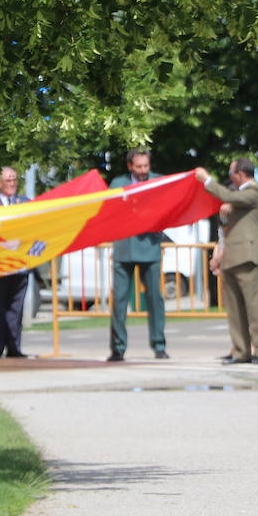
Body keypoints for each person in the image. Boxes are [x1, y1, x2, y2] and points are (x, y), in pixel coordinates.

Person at [194, 159, 258, 364]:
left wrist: (206, 179)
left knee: (254, 308)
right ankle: (241, 351)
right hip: (232, 257)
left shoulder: (254, 191)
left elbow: (229, 196)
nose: (230, 177)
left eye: (231, 173)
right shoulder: (238, 197)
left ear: (240, 174)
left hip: (248, 257)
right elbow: (227, 225)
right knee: (235, 310)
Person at [107, 150, 169, 362]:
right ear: (130, 167)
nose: (143, 170)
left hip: (150, 247)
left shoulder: (159, 181)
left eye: (146, 166)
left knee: (154, 299)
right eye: (139, 166)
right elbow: (109, 208)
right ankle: (117, 348)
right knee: (120, 302)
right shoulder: (118, 183)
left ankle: (159, 345)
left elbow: (168, 207)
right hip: (124, 247)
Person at [0, 166, 31, 358]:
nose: (12, 183)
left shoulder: (25, 203)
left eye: (14, 179)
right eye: (8, 180)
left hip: (20, 265)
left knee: (16, 309)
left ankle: (14, 347)